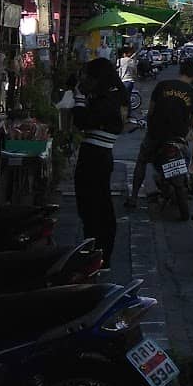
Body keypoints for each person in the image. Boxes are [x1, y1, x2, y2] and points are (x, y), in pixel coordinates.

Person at [71, 57, 126, 265]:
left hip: (95, 155)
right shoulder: (114, 94)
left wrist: (79, 100)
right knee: (98, 205)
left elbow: (82, 121)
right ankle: (97, 250)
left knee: (93, 206)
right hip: (100, 154)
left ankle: (98, 253)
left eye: (88, 76)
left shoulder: (107, 100)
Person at [128, 59, 193, 208]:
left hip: (156, 133)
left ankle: (134, 196)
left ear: (180, 71)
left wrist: (151, 128)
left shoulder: (162, 86)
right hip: (179, 136)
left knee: (142, 161)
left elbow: (151, 112)